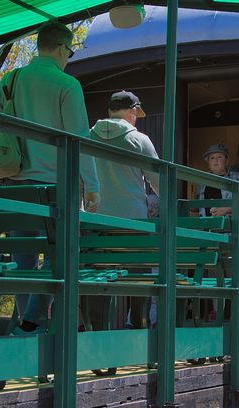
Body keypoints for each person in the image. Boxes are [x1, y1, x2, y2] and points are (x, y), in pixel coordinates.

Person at [0, 21, 100, 335]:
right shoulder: (66, 84)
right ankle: (29, 323)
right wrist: (92, 184)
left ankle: (28, 328)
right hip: (53, 189)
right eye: (70, 52)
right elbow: (79, 139)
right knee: (62, 257)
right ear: (62, 48)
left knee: (24, 261)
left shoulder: (11, 79)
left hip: (12, 184)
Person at [88, 90, 160, 329]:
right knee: (138, 281)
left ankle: (97, 333)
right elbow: (161, 183)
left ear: (109, 111)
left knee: (99, 282)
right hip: (133, 226)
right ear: (132, 112)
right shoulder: (139, 140)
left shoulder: (89, 137)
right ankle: (138, 331)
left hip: (97, 224)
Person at [195, 143, 239, 217]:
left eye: (219, 157)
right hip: (206, 225)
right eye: (212, 158)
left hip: (230, 226)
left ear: (227, 161)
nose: (215, 160)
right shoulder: (203, 180)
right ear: (208, 163)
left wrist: (227, 209)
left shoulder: (236, 177)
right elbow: (197, 205)